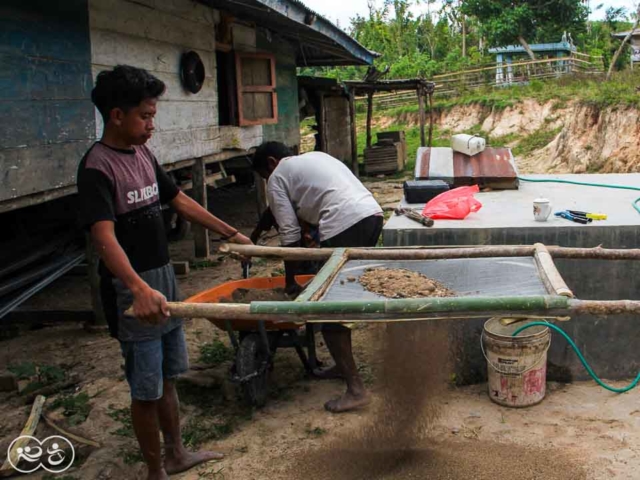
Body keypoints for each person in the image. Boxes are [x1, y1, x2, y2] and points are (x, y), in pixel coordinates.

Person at [77, 65, 252, 480]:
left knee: (169, 377)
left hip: (163, 280)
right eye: (146, 116)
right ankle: (155, 471)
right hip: (132, 291)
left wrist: (232, 233)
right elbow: (104, 238)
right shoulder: (97, 168)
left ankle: (176, 453)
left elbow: (178, 200)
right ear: (117, 115)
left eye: (153, 116)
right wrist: (136, 289)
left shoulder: (143, 155)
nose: (152, 125)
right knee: (145, 388)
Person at [252, 142, 383, 413]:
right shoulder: (312, 159)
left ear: (271, 163)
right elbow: (275, 215)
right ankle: (341, 366)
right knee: (341, 293)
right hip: (371, 215)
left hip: (344, 222)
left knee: (328, 307)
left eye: (264, 176)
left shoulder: (277, 176)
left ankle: (356, 390)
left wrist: (290, 281)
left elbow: (289, 235)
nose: (268, 182)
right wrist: (255, 235)